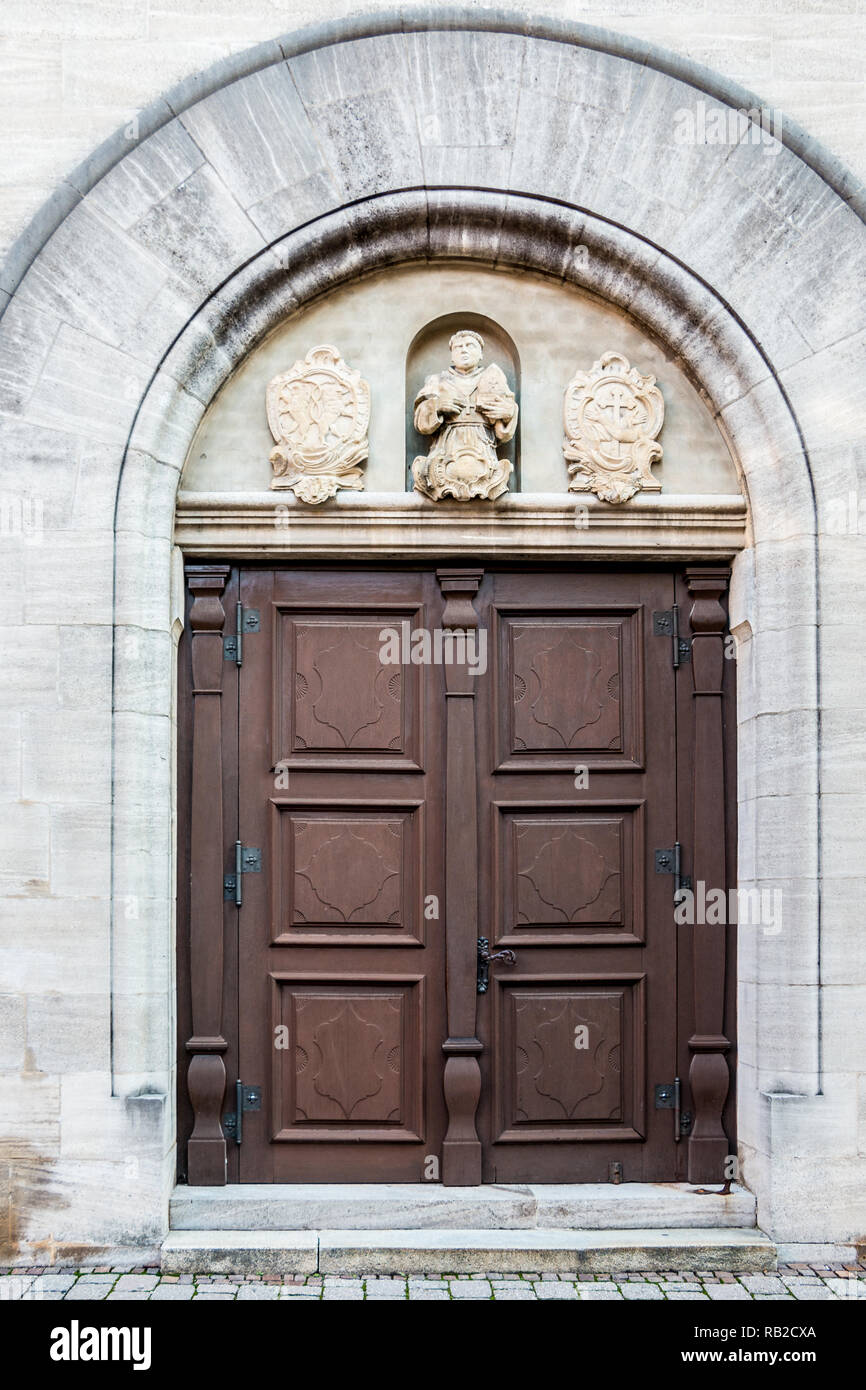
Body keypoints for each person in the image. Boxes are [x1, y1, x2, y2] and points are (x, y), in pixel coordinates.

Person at [412, 330, 518, 500]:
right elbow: (420, 421)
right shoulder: (437, 381)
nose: (464, 350)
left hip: (482, 448)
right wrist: (437, 406)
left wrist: (508, 413)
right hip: (446, 449)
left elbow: (503, 431)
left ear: (481, 354)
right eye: (458, 347)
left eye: (470, 346)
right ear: (452, 356)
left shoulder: (492, 379)